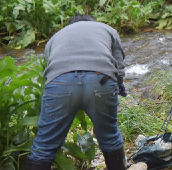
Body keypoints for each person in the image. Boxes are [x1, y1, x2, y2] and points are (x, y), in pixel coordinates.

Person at [27, 15, 127, 170]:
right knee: (109, 136)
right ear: (93, 23)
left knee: (44, 144)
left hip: (60, 82)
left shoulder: (55, 37)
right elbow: (119, 67)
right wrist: (119, 86)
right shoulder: (107, 29)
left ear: (70, 25)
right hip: (101, 80)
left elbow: (49, 67)